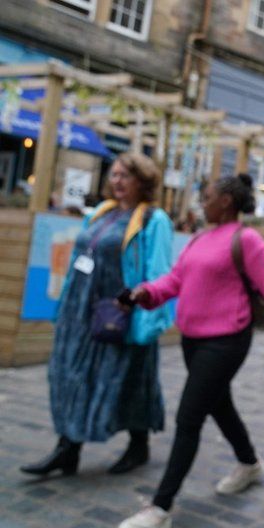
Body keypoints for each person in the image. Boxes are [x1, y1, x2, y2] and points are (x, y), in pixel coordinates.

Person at [117, 173, 264, 528]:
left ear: (225, 201)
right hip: (193, 341)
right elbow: (175, 281)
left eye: (205, 195)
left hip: (226, 341)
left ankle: (160, 508)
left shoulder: (248, 240)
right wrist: (145, 293)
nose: (201, 202)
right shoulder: (200, 238)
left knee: (189, 415)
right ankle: (250, 463)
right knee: (219, 405)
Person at [20, 152, 174, 477]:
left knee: (126, 378)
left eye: (125, 176)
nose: (116, 181)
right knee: (73, 373)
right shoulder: (102, 212)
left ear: (142, 182)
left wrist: (143, 313)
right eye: (114, 175)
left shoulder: (153, 219)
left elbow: (158, 270)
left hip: (118, 313)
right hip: (80, 311)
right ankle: (68, 448)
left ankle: (138, 445)